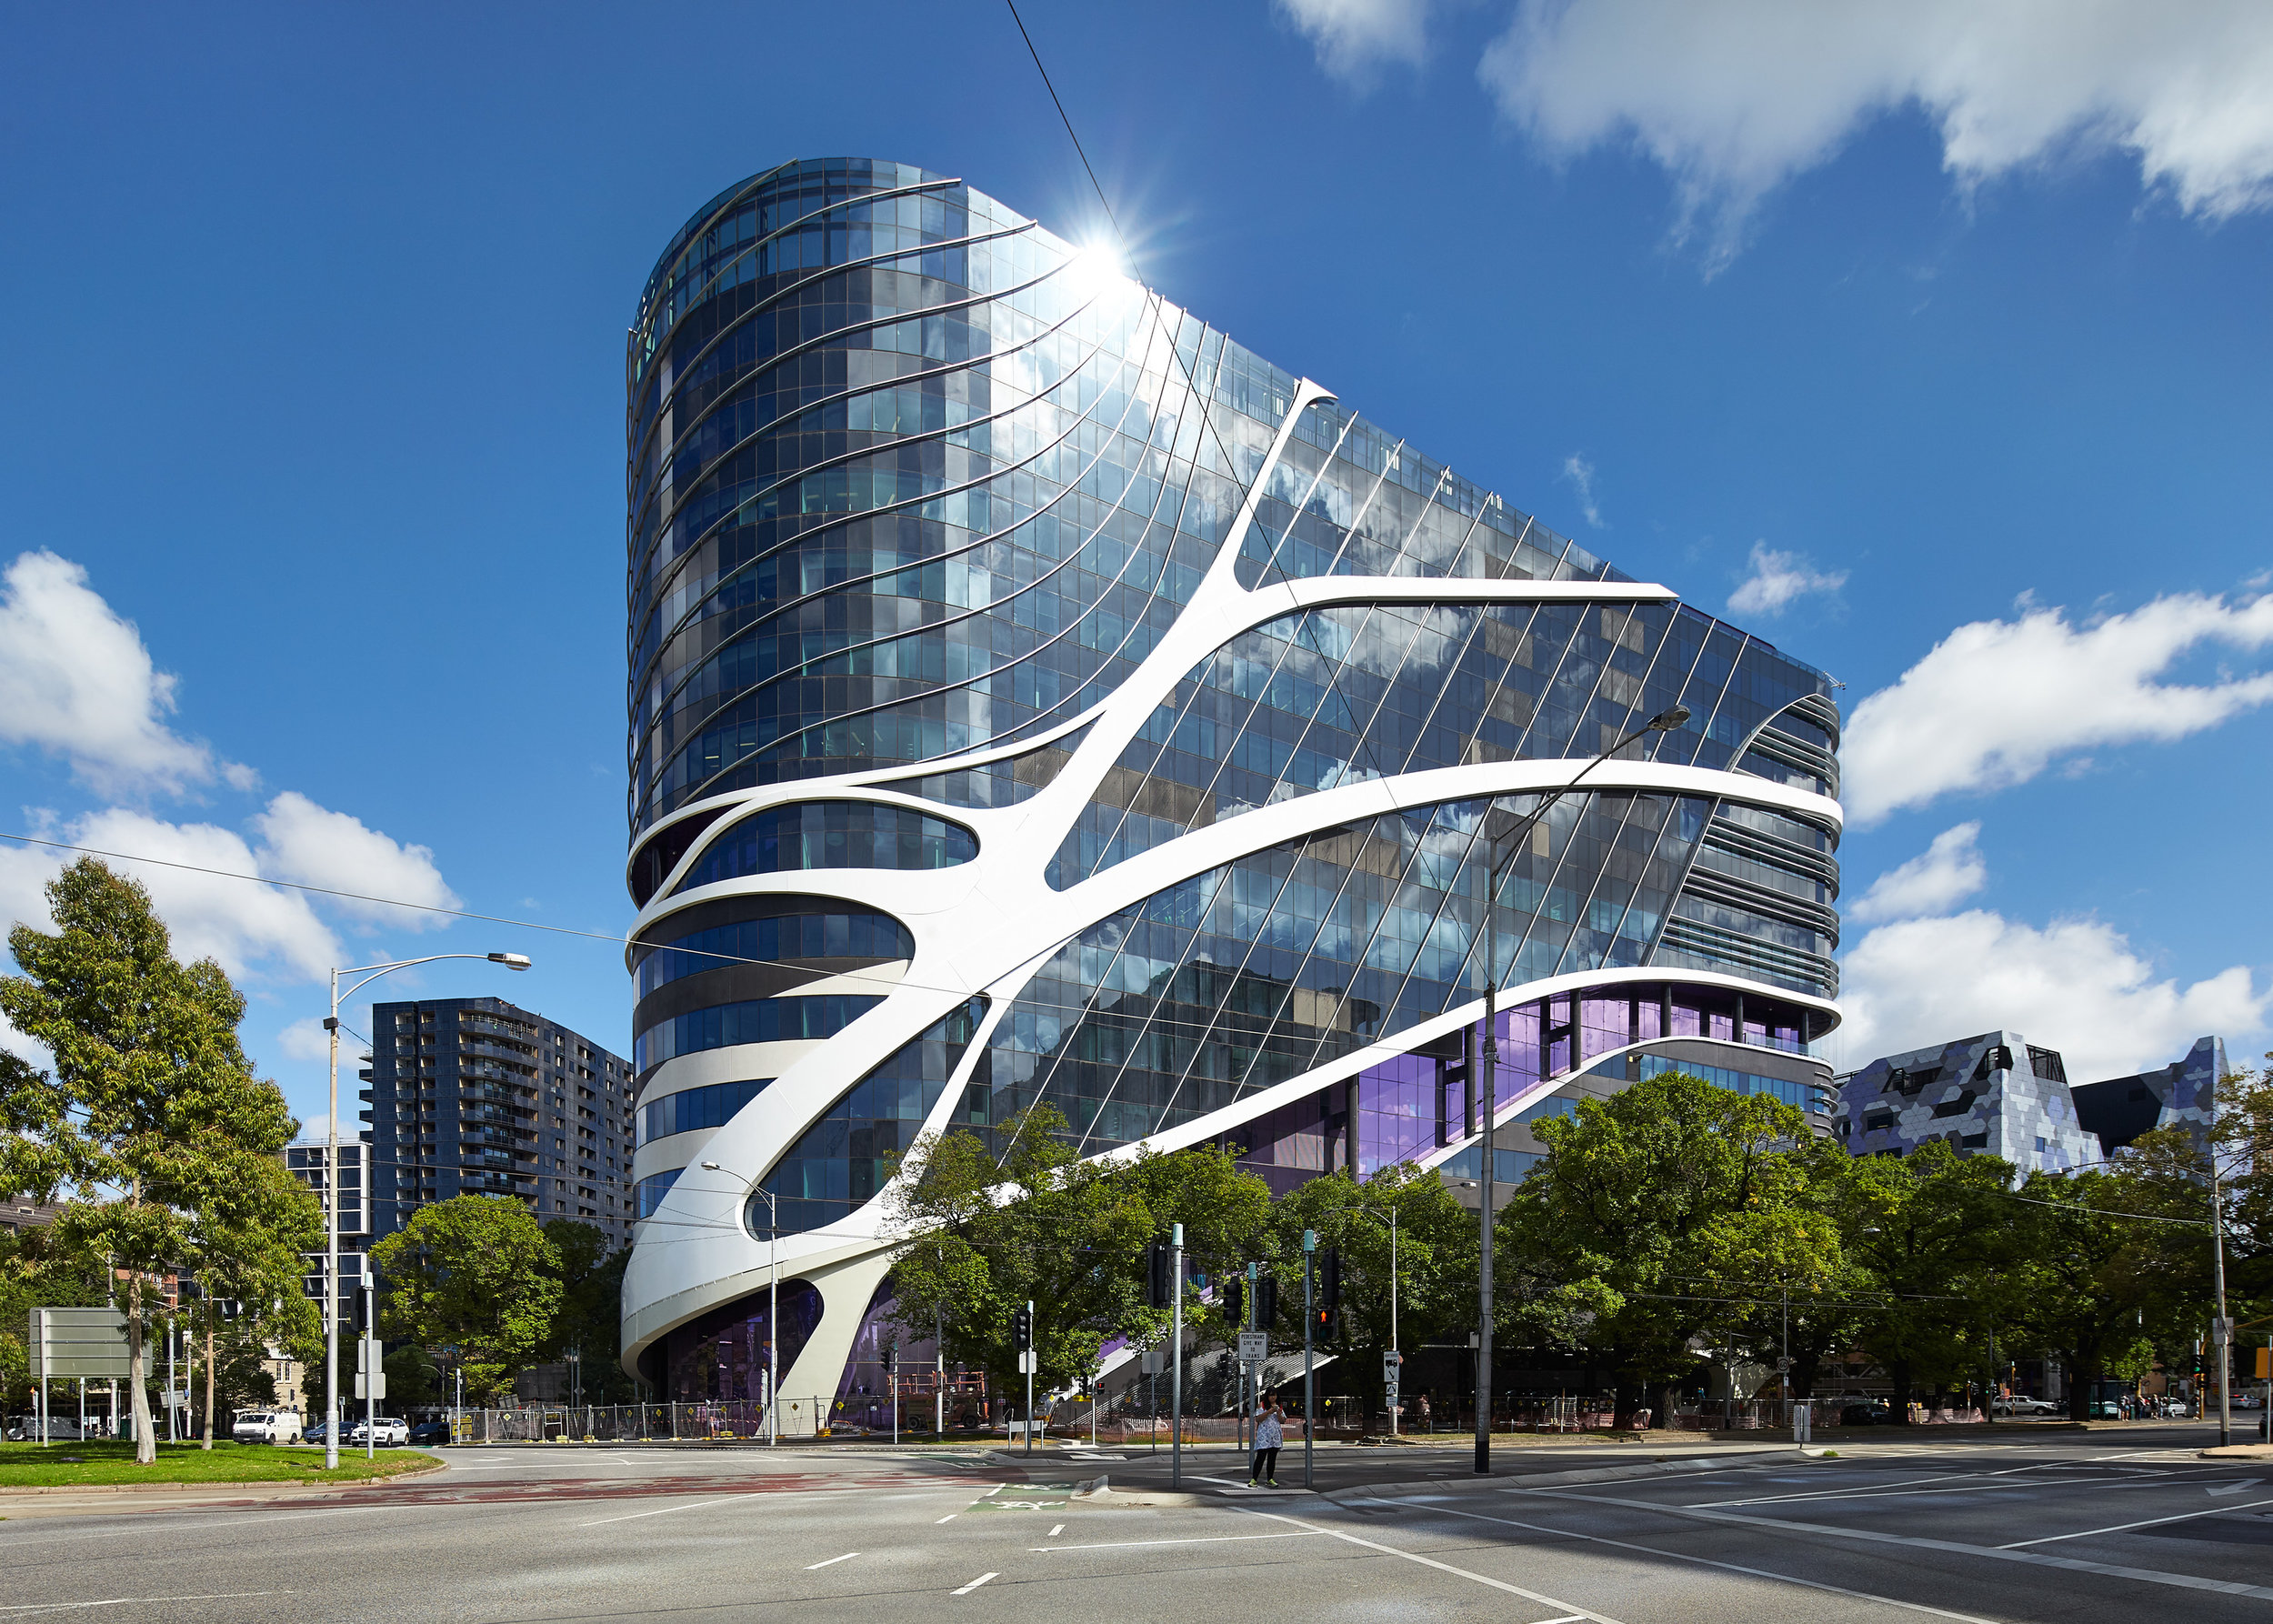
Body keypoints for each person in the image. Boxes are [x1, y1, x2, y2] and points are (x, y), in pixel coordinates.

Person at [1248, 1392, 1284, 1487]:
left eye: (1275, 1395)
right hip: (1264, 1435)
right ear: (1267, 1396)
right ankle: (1254, 1479)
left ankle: (1270, 1479)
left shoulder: (1278, 1405)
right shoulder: (1262, 1405)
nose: (1273, 1397)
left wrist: (1279, 1414)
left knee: (1272, 1459)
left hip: (1275, 1436)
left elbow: (1282, 1420)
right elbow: (1258, 1419)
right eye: (1271, 1395)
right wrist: (1269, 1412)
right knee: (1261, 1457)